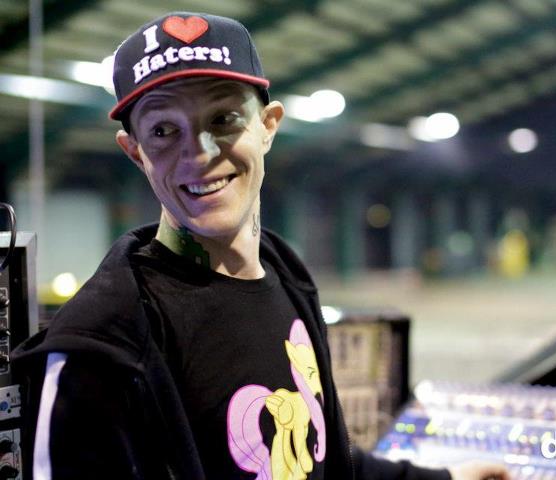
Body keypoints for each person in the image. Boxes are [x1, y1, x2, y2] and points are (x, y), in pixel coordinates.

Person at [12, 12, 510, 480]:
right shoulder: (102, 346)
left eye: (224, 118)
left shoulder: (284, 271)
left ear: (268, 126)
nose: (199, 153)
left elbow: (320, 457)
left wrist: (446, 476)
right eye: (163, 131)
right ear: (136, 152)